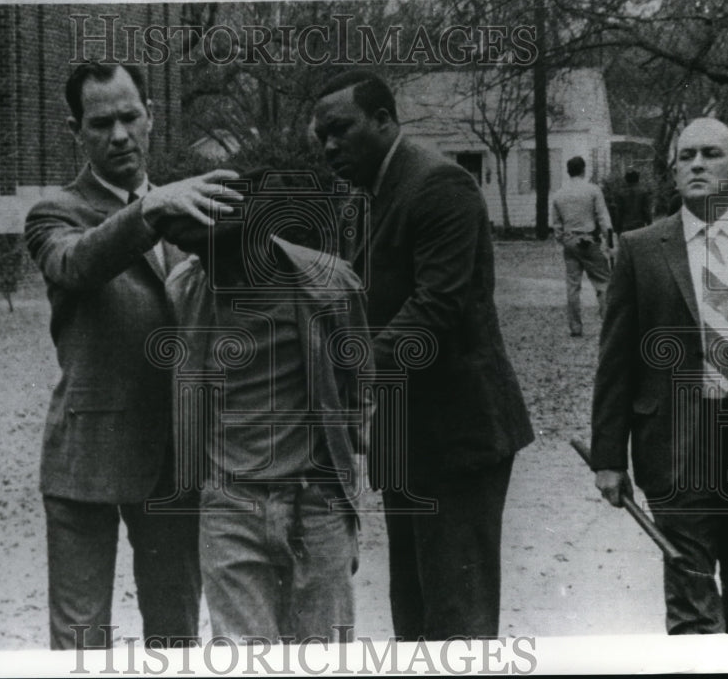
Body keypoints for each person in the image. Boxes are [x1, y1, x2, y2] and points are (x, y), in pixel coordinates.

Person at [311, 71, 534, 640]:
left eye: (341, 129)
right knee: (413, 615)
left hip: (456, 438)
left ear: (385, 119)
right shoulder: (368, 197)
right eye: (322, 137)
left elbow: (434, 312)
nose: (330, 145)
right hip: (406, 435)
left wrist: (339, 369)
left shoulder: (440, 186)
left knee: (457, 621)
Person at [24, 62, 240, 649]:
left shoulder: (188, 206)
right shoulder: (55, 212)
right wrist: (148, 212)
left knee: (175, 635)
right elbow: (76, 264)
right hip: (86, 454)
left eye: (129, 117)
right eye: (100, 123)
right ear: (76, 130)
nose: (118, 135)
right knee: (80, 640)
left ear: (151, 115)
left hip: (174, 455)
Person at [156, 170, 371, 644]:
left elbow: (359, 386)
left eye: (232, 254)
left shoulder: (330, 286)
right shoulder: (186, 291)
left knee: (325, 658)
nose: (222, 271)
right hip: (229, 511)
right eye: (208, 257)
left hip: (317, 505)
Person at [590, 117, 728, 634]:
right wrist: (608, 457)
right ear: (672, 173)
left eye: (711, 154)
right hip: (674, 445)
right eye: (686, 155)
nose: (696, 164)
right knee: (691, 606)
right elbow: (616, 360)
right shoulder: (642, 248)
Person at [550, 156, 614, 336]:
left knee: (572, 286)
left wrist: (563, 240)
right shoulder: (593, 190)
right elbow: (603, 218)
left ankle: (575, 327)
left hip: (570, 241)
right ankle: (608, 325)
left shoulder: (559, 193)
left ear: (568, 170)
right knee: (602, 282)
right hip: (588, 240)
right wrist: (608, 243)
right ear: (583, 170)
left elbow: (556, 224)